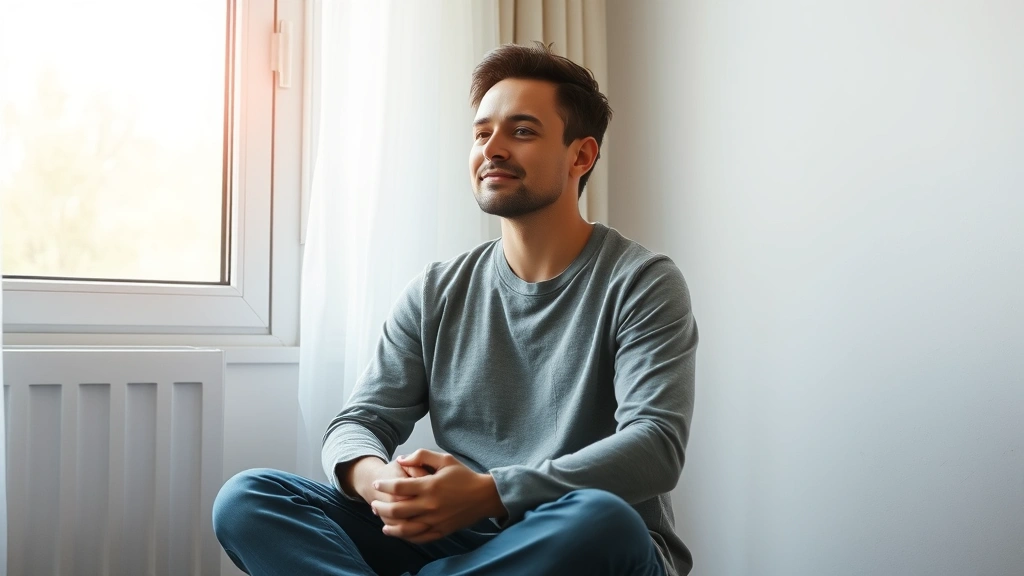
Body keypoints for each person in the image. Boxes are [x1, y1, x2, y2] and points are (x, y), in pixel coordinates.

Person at [213, 42, 698, 576]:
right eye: (482, 133)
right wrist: (381, 482)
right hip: (457, 541)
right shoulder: (436, 291)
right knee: (249, 498)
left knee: (605, 521)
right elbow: (359, 421)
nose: (493, 149)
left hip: (571, 538)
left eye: (522, 131)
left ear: (580, 156)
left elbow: (655, 447)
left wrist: (490, 493)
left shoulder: (641, 282)